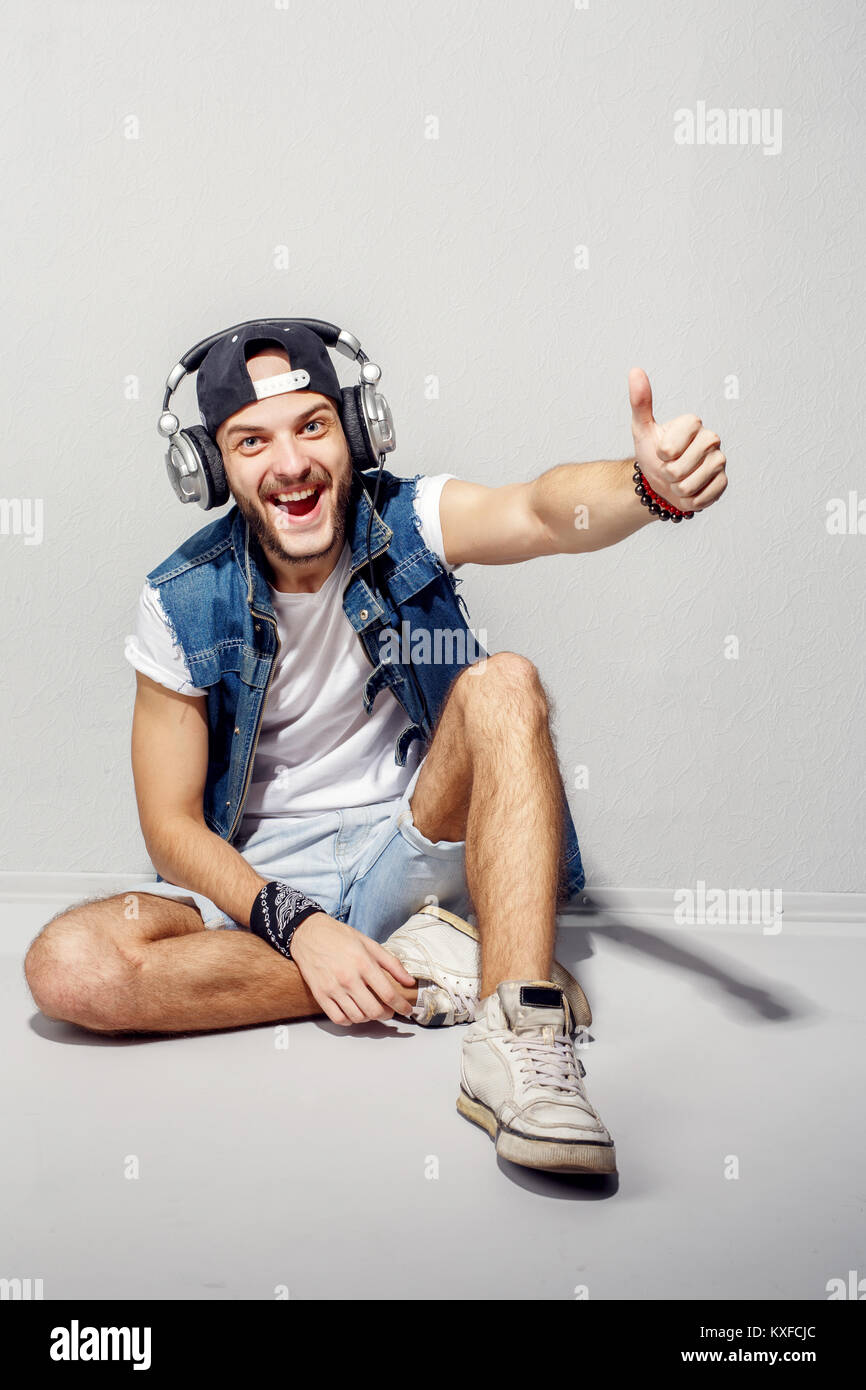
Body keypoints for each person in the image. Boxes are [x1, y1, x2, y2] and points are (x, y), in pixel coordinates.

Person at [23, 322, 728, 1176]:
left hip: (413, 841)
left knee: (503, 681)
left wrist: (645, 487)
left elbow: (540, 509)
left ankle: (519, 1036)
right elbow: (171, 829)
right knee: (71, 967)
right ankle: (425, 963)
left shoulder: (409, 519)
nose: (290, 465)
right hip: (270, 879)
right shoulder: (179, 600)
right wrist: (300, 926)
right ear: (212, 466)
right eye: (253, 441)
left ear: (355, 433)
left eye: (313, 426)